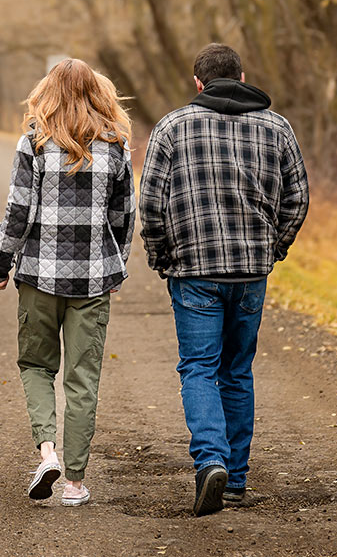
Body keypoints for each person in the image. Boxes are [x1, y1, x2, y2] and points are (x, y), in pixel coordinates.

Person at [139, 43, 309, 516]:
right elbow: (298, 198)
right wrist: (273, 249)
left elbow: (151, 203)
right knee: (236, 370)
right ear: (242, 74)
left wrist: (161, 256)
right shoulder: (277, 128)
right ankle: (234, 481)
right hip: (251, 273)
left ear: (198, 82)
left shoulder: (172, 127)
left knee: (199, 368)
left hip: (194, 271)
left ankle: (210, 460)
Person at [0, 58, 135, 508]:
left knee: (35, 365)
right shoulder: (117, 146)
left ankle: (47, 452)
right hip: (92, 281)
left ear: (47, 92)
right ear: (97, 92)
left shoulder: (33, 143)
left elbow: (17, 212)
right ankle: (74, 484)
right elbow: (124, 218)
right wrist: (114, 266)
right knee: (83, 379)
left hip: (38, 278)